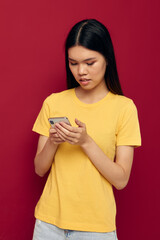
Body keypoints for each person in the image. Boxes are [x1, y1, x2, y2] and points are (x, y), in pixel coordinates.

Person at [32, 19, 141, 240]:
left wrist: (86, 142)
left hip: (96, 228)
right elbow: (39, 169)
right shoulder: (54, 102)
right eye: (73, 63)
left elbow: (121, 180)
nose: (81, 71)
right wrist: (53, 141)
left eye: (90, 63)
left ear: (107, 59)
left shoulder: (124, 108)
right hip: (48, 224)